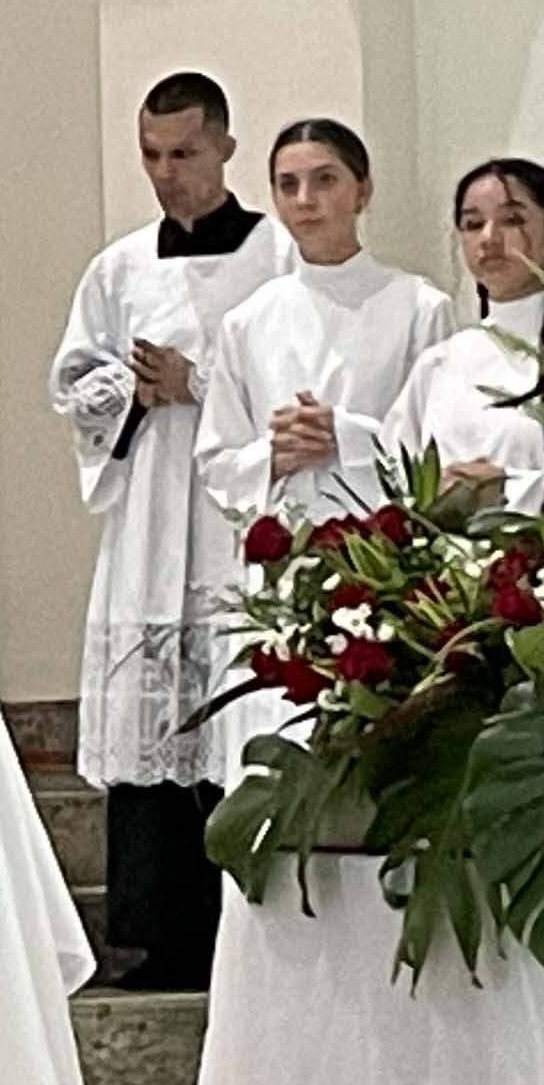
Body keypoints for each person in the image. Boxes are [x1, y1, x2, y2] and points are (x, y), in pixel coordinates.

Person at [47, 72, 285, 992]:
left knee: (233, 710)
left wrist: (199, 381)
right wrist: (131, 389)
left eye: (183, 152)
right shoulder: (119, 269)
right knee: (151, 724)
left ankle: (243, 932)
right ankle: (153, 931)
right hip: (151, 512)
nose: (166, 172)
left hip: (234, 519)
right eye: (151, 154)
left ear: (225, 147)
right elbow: (74, 387)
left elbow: (294, 377)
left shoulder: (277, 257)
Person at [197, 120, 451, 772]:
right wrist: (274, 455)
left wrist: (347, 436)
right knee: (274, 762)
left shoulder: (419, 307)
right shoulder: (248, 322)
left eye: (325, 180)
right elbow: (217, 460)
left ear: (363, 191)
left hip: (385, 566)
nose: (305, 200)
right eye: (288, 185)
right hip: (282, 574)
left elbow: (440, 449)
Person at [385, 157, 544, 513]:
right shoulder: (439, 364)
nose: (489, 238)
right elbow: (392, 479)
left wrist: (509, 490)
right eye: (473, 224)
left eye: (512, 220)